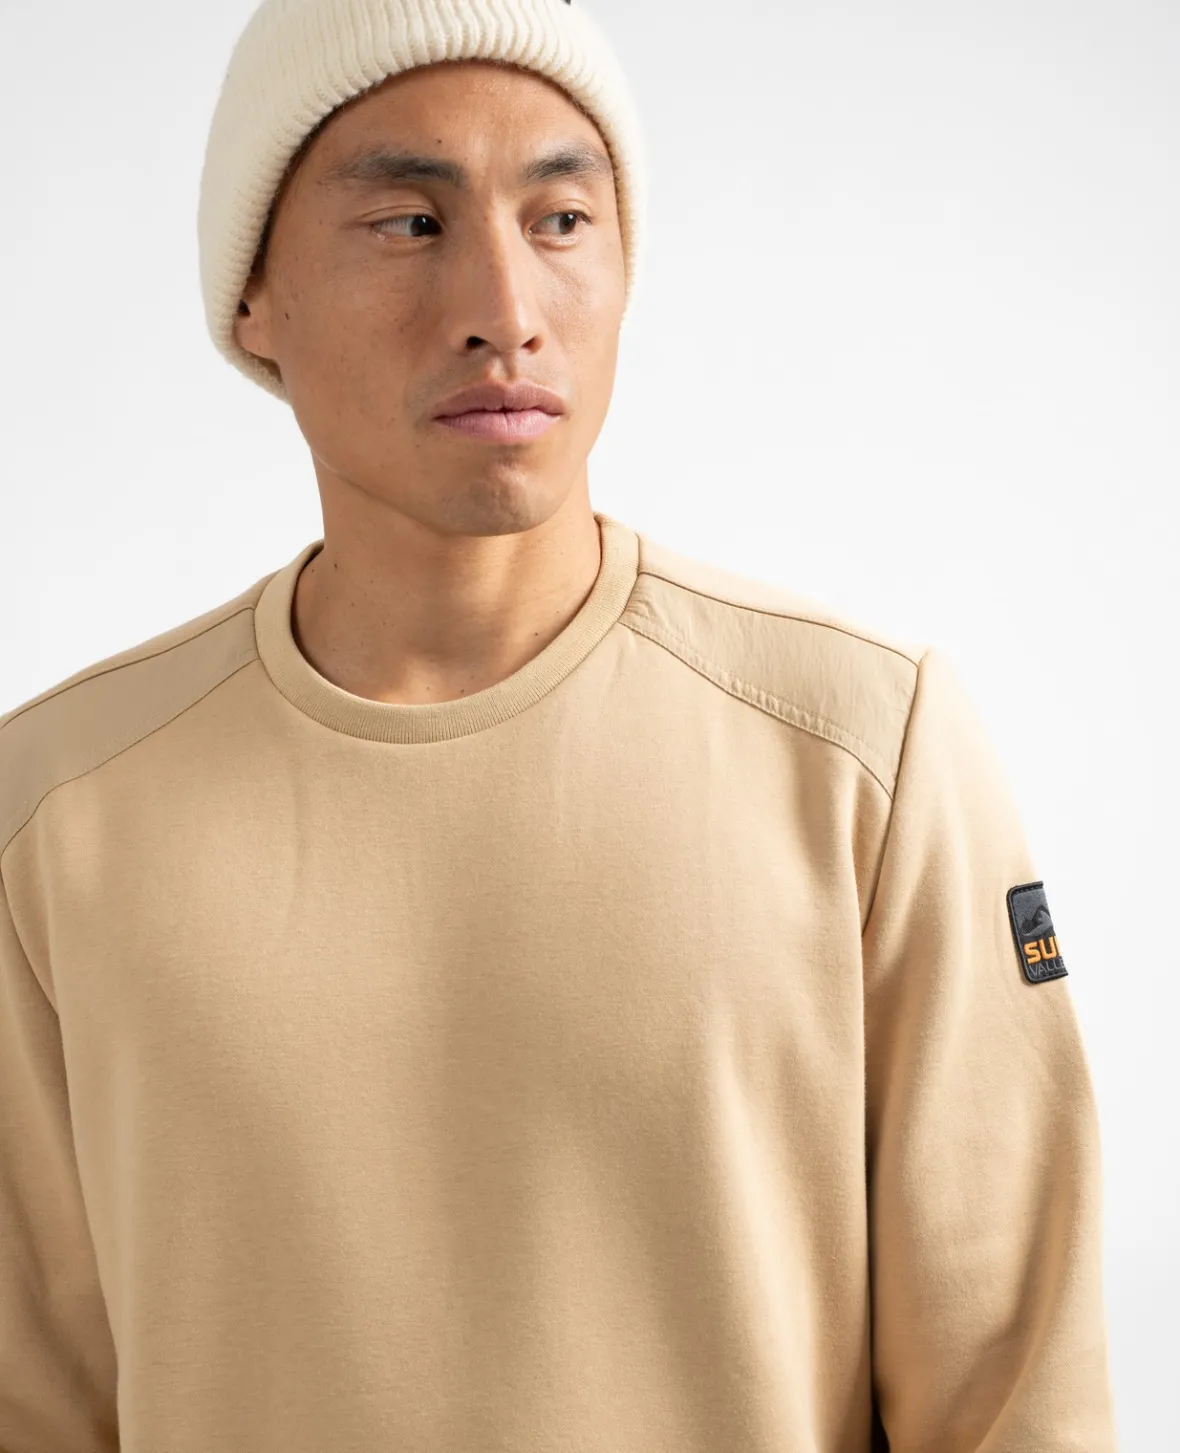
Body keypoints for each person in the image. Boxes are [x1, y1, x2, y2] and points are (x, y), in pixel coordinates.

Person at [0, 1, 1119, 1449]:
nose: (505, 307)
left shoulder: (862, 747)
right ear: (253, 298)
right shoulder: (59, 812)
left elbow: (1016, 1395)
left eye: (563, 220)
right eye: (411, 222)